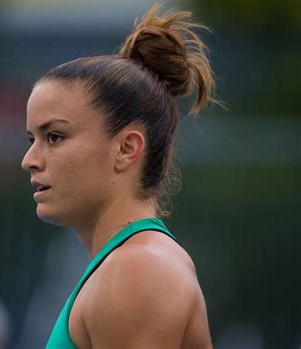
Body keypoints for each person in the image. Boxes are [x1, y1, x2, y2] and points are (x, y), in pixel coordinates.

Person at [21, 4, 215, 349]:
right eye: (31, 139)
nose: (29, 160)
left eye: (54, 137)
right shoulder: (128, 263)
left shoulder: (137, 269)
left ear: (126, 149)